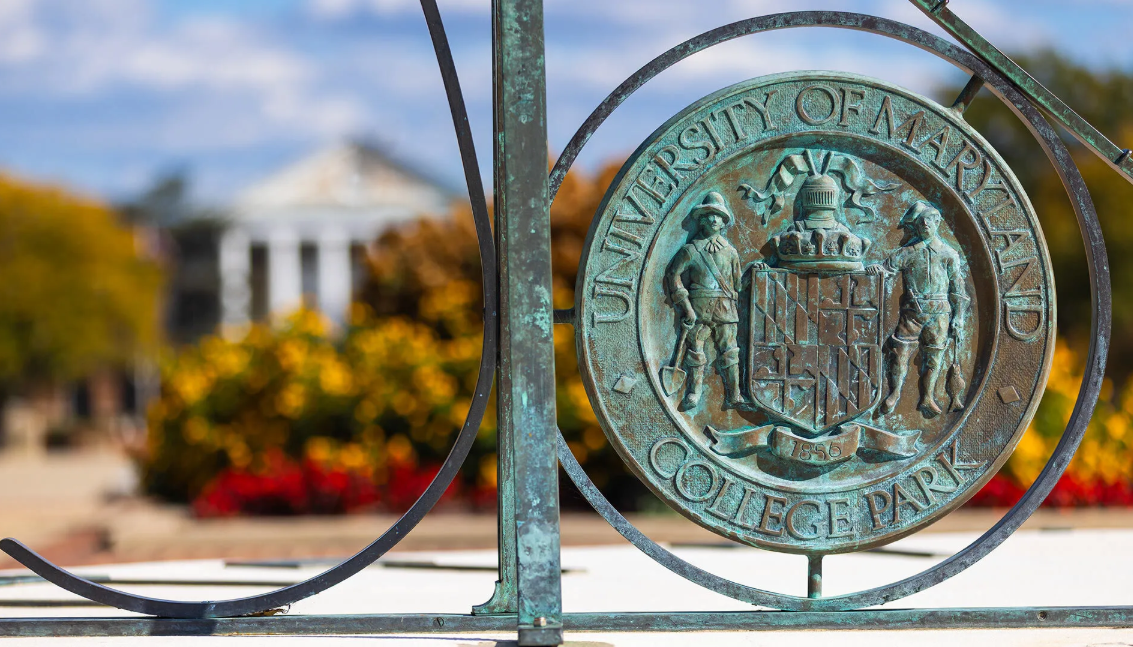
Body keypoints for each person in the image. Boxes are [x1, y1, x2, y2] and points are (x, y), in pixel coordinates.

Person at [868, 200, 968, 417]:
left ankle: (928, 396)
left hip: (939, 314)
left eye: (928, 223)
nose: (924, 226)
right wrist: (876, 269)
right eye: (920, 223)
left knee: (934, 356)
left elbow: (958, 289)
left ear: (937, 223)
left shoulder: (949, 254)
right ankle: (894, 393)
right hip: (912, 312)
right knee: (899, 351)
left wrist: (959, 317)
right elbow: (887, 269)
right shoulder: (909, 251)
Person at [665, 192, 745, 411]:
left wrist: (758, 273)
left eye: (718, 216)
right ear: (701, 219)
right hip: (699, 307)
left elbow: (738, 284)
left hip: (725, 307)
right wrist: (686, 306)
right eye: (709, 215)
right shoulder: (690, 250)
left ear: (723, 222)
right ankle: (694, 392)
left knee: (730, 350)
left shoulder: (731, 252)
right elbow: (674, 275)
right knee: (696, 350)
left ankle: (734, 394)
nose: (713, 219)